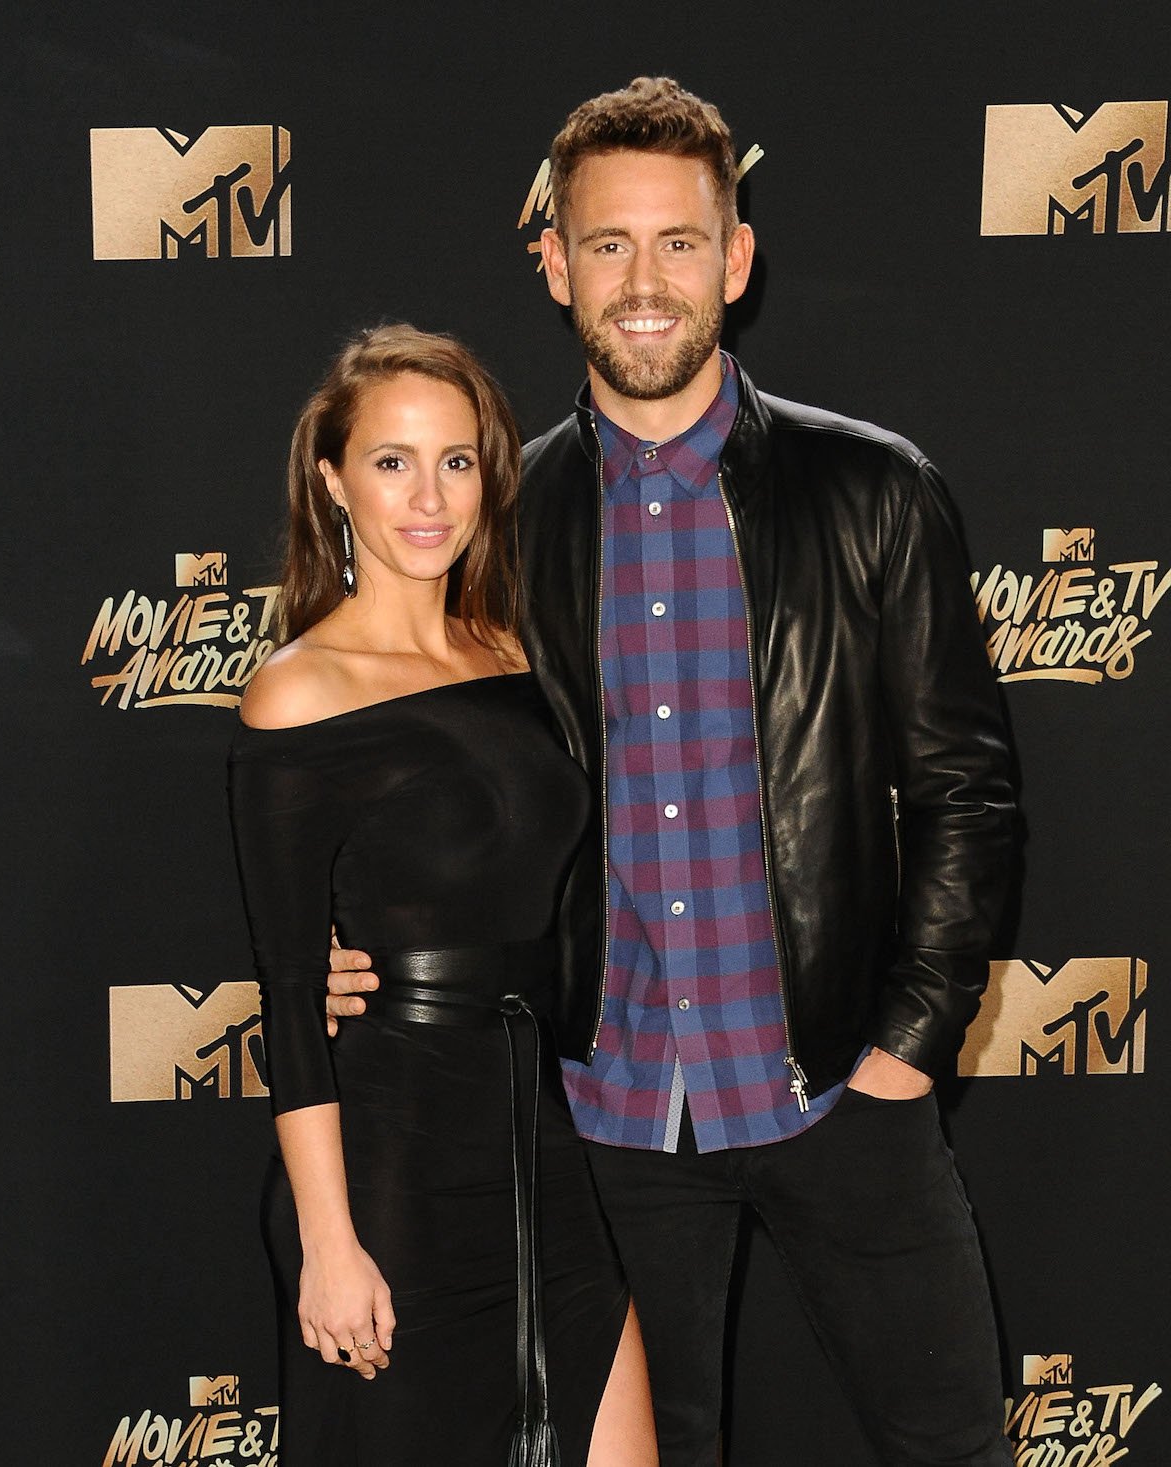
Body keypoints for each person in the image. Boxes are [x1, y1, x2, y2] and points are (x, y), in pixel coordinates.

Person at [326, 80, 1016, 1467]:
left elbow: (967, 787)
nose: (646, 283)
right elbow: (441, 792)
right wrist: (363, 945)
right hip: (608, 1113)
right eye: (609, 245)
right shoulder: (500, 528)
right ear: (556, 261)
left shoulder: (875, 492)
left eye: (680, 243)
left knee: (952, 1442)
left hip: (839, 1089)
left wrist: (907, 1045)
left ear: (736, 258)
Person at [228, 324, 656, 1467]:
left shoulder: (512, 654)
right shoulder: (298, 693)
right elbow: (287, 994)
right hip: (392, 1166)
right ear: (333, 482)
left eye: (457, 461)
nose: (430, 496)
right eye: (392, 461)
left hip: (538, 1139)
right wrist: (329, 1239)